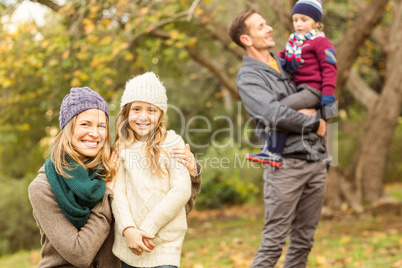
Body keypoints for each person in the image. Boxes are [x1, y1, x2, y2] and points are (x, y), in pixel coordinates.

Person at [28, 86, 202, 268]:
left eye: (101, 126)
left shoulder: (111, 165)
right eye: (85, 124)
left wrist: (191, 175)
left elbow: (172, 211)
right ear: (67, 128)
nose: (94, 133)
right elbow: (80, 254)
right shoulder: (43, 187)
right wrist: (107, 194)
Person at [229, 9, 328, 268]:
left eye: (266, 23)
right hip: (285, 167)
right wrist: (312, 123)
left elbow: (320, 87)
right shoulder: (249, 77)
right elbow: (273, 114)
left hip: (316, 161)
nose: (269, 28)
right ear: (246, 40)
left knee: (304, 242)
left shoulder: (290, 62)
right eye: (261, 26)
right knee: (273, 243)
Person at [111, 72, 194, 268]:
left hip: (163, 246)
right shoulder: (120, 149)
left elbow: (181, 191)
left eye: (151, 110)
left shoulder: (172, 143)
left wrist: (148, 228)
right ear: (126, 113)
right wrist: (128, 229)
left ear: (160, 114)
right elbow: (117, 192)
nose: (143, 116)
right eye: (136, 109)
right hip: (129, 246)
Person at [246, 0, 337, 166]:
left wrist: (328, 94)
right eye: (295, 20)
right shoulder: (294, 42)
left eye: (304, 20)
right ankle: (272, 150)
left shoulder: (321, 42)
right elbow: (280, 58)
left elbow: (330, 69)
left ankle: (274, 152)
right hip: (301, 90)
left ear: (316, 22)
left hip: (314, 90)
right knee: (281, 112)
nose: (299, 24)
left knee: (281, 109)